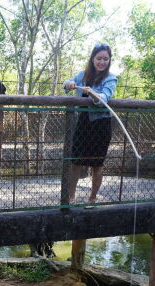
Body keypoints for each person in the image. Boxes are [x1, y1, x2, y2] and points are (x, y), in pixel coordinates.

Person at [62, 43, 117, 205]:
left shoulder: (111, 78)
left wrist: (93, 94)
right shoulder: (82, 75)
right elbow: (66, 84)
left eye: (105, 59)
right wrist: (69, 84)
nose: (102, 62)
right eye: (99, 58)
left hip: (101, 124)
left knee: (97, 164)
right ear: (92, 59)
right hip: (83, 123)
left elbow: (104, 98)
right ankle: (71, 197)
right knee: (75, 161)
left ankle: (92, 198)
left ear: (109, 60)